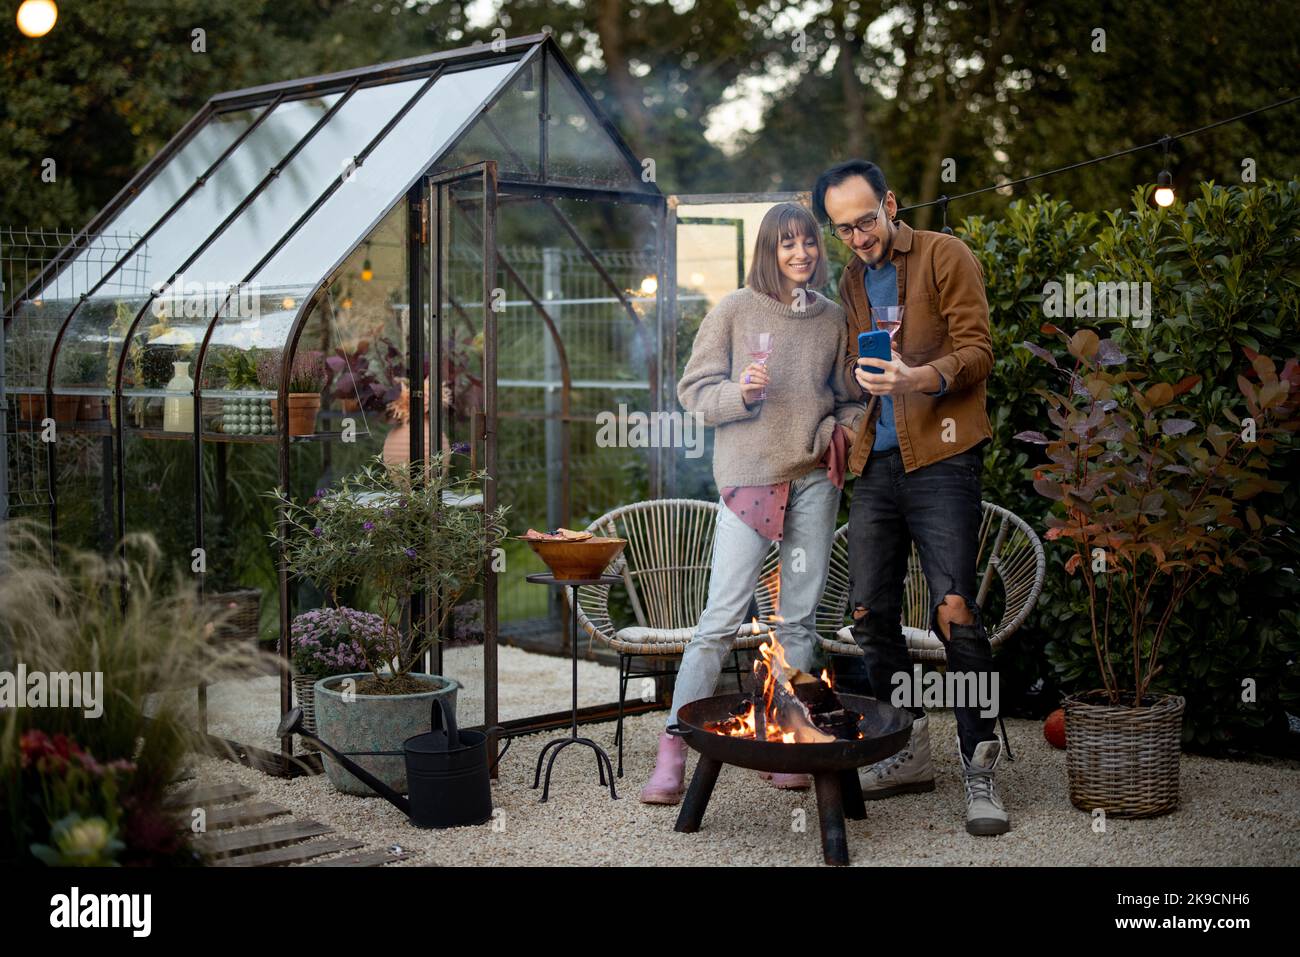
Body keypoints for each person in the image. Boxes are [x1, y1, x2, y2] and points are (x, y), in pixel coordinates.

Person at [639, 202, 864, 805]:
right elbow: (694, 390)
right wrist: (739, 394)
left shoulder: (833, 318)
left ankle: (790, 738)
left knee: (796, 621)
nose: (801, 253)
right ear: (769, 250)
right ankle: (672, 749)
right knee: (718, 623)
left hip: (814, 478)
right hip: (748, 479)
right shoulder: (736, 308)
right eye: (787, 244)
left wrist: (834, 433)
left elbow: (852, 397)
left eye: (809, 242)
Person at [812, 159, 1009, 836]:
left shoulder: (944, 255)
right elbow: (852, 365)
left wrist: (917, 376)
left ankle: (979, 765)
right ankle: (908, 748)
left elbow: (980, 351)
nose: (859, 237)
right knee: (869, 613)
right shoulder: (850, 278)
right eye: (844, 228)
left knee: (954, 608)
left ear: (890, 204)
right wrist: (859, 379)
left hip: (945, 457)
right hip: (878, 464)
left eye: (866, 220)